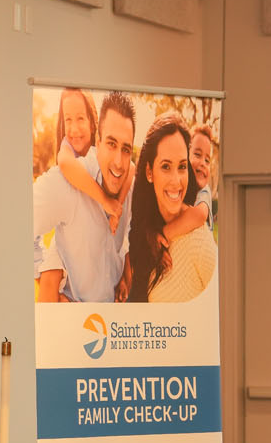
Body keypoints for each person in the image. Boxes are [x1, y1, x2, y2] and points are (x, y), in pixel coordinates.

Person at [33, 92, 137, 303]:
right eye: (110, 144)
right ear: (98, 141)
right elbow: (18, 224)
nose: (118, 161)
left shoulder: (130, 182)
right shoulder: (66, 183)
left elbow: (128, 235)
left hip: (116, 327)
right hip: (76, 326)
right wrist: (44, 272)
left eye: (126, 149)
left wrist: (125, 270)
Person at [127, 113, 218, 302]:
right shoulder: (145, 235)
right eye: (166, 167)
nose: (176, 181)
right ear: (149, 172)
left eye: (182, 167)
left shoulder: (198, 241)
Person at [191, 124, 217, 228]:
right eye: (197, 154)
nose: (203, 163)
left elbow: (200, 215)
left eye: (207, 160)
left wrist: (165, 232)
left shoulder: (204, 191)